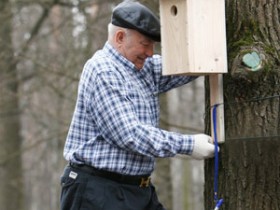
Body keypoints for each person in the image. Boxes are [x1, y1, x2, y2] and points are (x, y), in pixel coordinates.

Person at [60, 1, 216, 210]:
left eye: (153, 45)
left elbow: (187, 63)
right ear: (120, 38)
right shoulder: (103, 70)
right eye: (145, 44)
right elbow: (128, 134)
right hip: (99, 192)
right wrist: (189, 145)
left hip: (137, 189)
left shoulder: (144, 68)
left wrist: (213, 47)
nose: (151, 52)